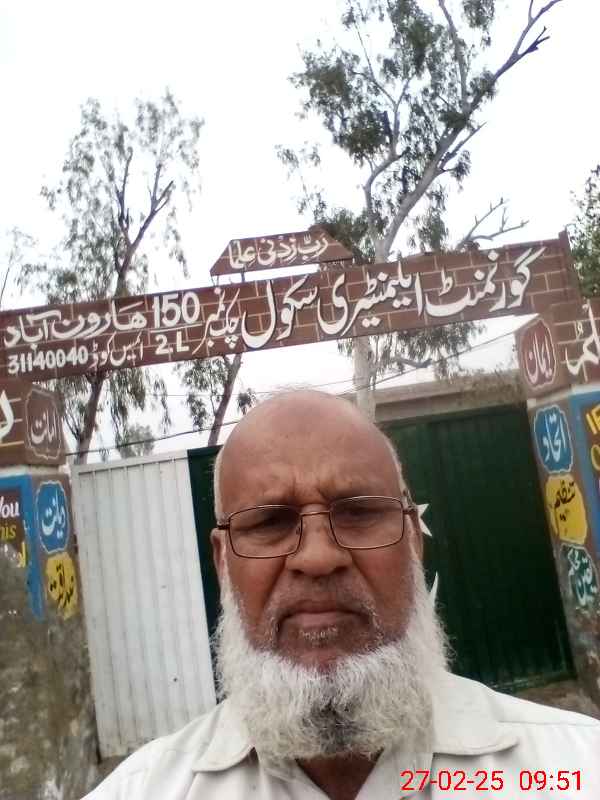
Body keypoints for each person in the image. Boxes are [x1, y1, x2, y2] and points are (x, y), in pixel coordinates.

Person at [84, 390, 600, 800]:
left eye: (358, 512)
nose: (317, 557)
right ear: (222, 562)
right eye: (269, 522)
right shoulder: (146, 790)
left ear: (414, 542)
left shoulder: (573, 769)